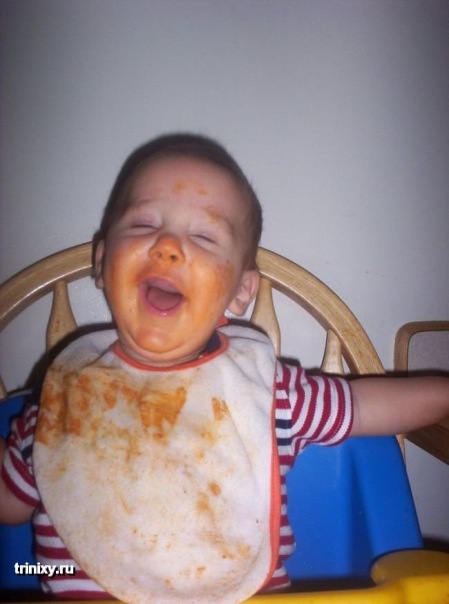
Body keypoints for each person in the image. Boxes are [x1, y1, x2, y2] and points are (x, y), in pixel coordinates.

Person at [1, 133, 448, 603]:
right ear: (102, 262)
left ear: (240, 292)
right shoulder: (63, 399)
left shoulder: (268, 393)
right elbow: (10, 505)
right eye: (144, 223)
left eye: (204, 236)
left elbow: (361, 406)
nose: (168, 245)